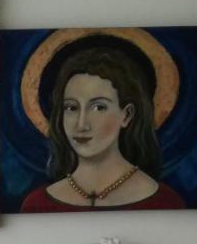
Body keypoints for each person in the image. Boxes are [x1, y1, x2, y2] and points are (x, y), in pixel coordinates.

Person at [20, 45, 184, 212]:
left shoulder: (165, 202)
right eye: (71, 108)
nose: (81, 125)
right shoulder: (36, 204)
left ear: (126, 115)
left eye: (98, 107)